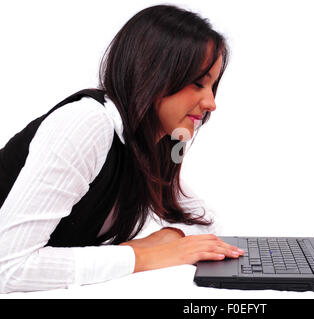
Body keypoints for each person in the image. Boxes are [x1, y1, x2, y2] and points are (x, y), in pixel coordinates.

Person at [0, 4, 244, 293]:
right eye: (197, 84)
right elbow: (8, 267)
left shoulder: (156, 143)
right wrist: (142, 255)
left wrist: (163, 239)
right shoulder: (87, 124)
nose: (211, 104)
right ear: (154, 73)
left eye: (212, 87)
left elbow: (203, 221)